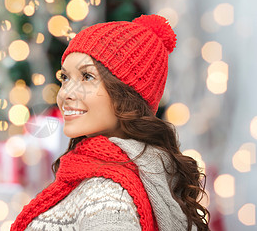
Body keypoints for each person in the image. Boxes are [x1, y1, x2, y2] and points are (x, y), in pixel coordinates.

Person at [11, 14, 210, 231]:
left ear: (127, 95)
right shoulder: (120, 171)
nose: (65, 93)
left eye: (87, 77)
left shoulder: (108, 198)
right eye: (65, 78)